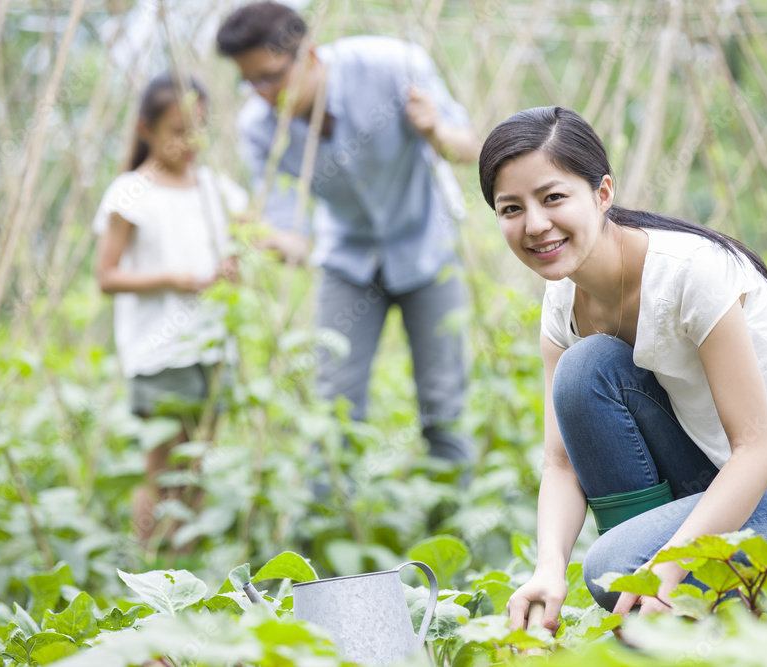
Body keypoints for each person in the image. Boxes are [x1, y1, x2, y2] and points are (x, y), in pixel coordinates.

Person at [477, 107, 767, 631]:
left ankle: (670, 604)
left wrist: (668, 562)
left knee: (618, 569)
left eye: (553, 198)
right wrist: (549, 570)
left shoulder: (689, 273)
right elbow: (561, 464)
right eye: (510, 208)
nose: (535, 224)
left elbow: (757, 450)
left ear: (603, 194)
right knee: (584, 371)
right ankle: (659, 615)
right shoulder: (562, 299)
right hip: (738, 484)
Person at [216, 2, 479, 465]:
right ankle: (332, 523)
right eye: (249, 81)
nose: (261, 94)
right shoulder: (259, 130)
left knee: (443, 407)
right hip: (347, 260)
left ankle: (450, 520)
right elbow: (290, 229)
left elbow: (471, 147)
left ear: (310, 55)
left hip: (426, 247)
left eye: (270, 76)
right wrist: (263, 244)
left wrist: (434, 129)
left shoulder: (394, 65)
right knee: (333, 407)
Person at [93, 72, 248, 544]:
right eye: (177, 131)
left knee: (197, 458)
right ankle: (150, 557)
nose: (189, 142)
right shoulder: (130, 192)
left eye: (197, 129)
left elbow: (244, 242)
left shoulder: (216, 189)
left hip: (212, 346)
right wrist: (172, 280)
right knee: (163, 462)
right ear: (146, 130)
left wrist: (230, 267)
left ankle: (184, 558)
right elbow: (107, 276)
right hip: (160, 349)